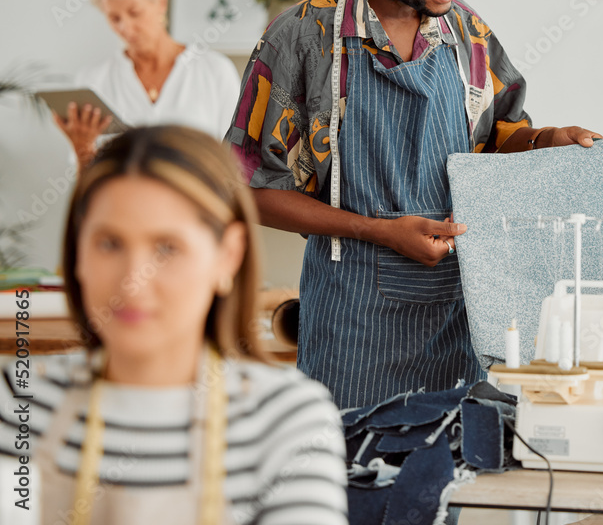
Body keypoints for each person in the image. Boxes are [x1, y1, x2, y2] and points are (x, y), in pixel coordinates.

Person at [225, 0, 602, 409]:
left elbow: (497, 139)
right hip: (351, 318)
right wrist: (380, 232)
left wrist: (546, 140)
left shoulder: (467, 33)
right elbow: (250, 191)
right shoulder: (304, 38)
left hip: (458, 307)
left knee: (452, 466)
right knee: (351, 472)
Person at [0, 125, 347, 524]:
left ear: (228, 256)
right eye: (109, 243)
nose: (134, 279)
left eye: (167, 248)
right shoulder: (21, 400)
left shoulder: (287, 420)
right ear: (77, 253)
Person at [53, 0, 240, 166]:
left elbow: (237, 166)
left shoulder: (215, 71)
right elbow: (90, 189)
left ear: (161, 0)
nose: (125, 28)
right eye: (114, 18)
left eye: (134, 13)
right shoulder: (93, 81)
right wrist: (81, 148)